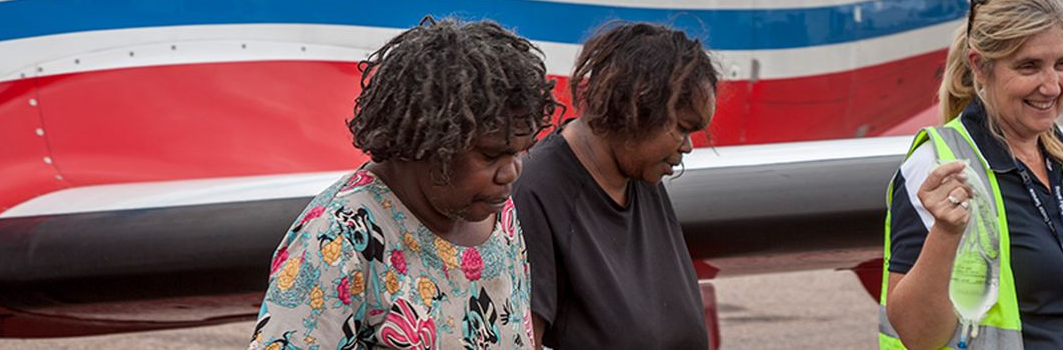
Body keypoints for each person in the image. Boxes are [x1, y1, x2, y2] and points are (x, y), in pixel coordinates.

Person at [880, 0, 1063, 350]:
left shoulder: (1057, 156)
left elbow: (1057, 313)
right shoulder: (940, 165)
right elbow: (918, 335)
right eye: (1029, 67)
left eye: (1061, 63)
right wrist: (946, 235)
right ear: (980, 67)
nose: (1051, 85)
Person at [251, 18, 558, 349]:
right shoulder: (337, 240)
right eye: (490, 155)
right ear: (426, 140)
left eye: (519, 152)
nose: (511, 172)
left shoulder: (497, 211)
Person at [513, 22, 719, 350]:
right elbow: (524, 340)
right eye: (681, 128)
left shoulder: (640, 176)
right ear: (634, 109)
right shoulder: (536, 193)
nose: (687, 146)